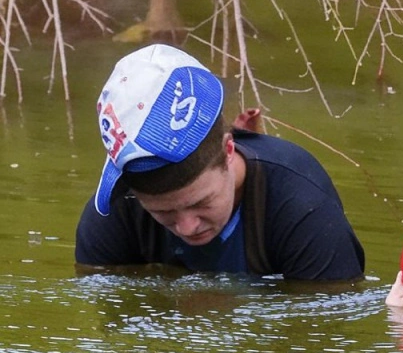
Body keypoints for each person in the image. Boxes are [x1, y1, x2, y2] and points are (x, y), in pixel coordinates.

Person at [75, 44, 365, 281]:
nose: (187, 227)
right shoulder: (117, 209)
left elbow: (323, 327)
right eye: (163, 212)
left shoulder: (304, 209)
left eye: (202, 202)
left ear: (228, 150)